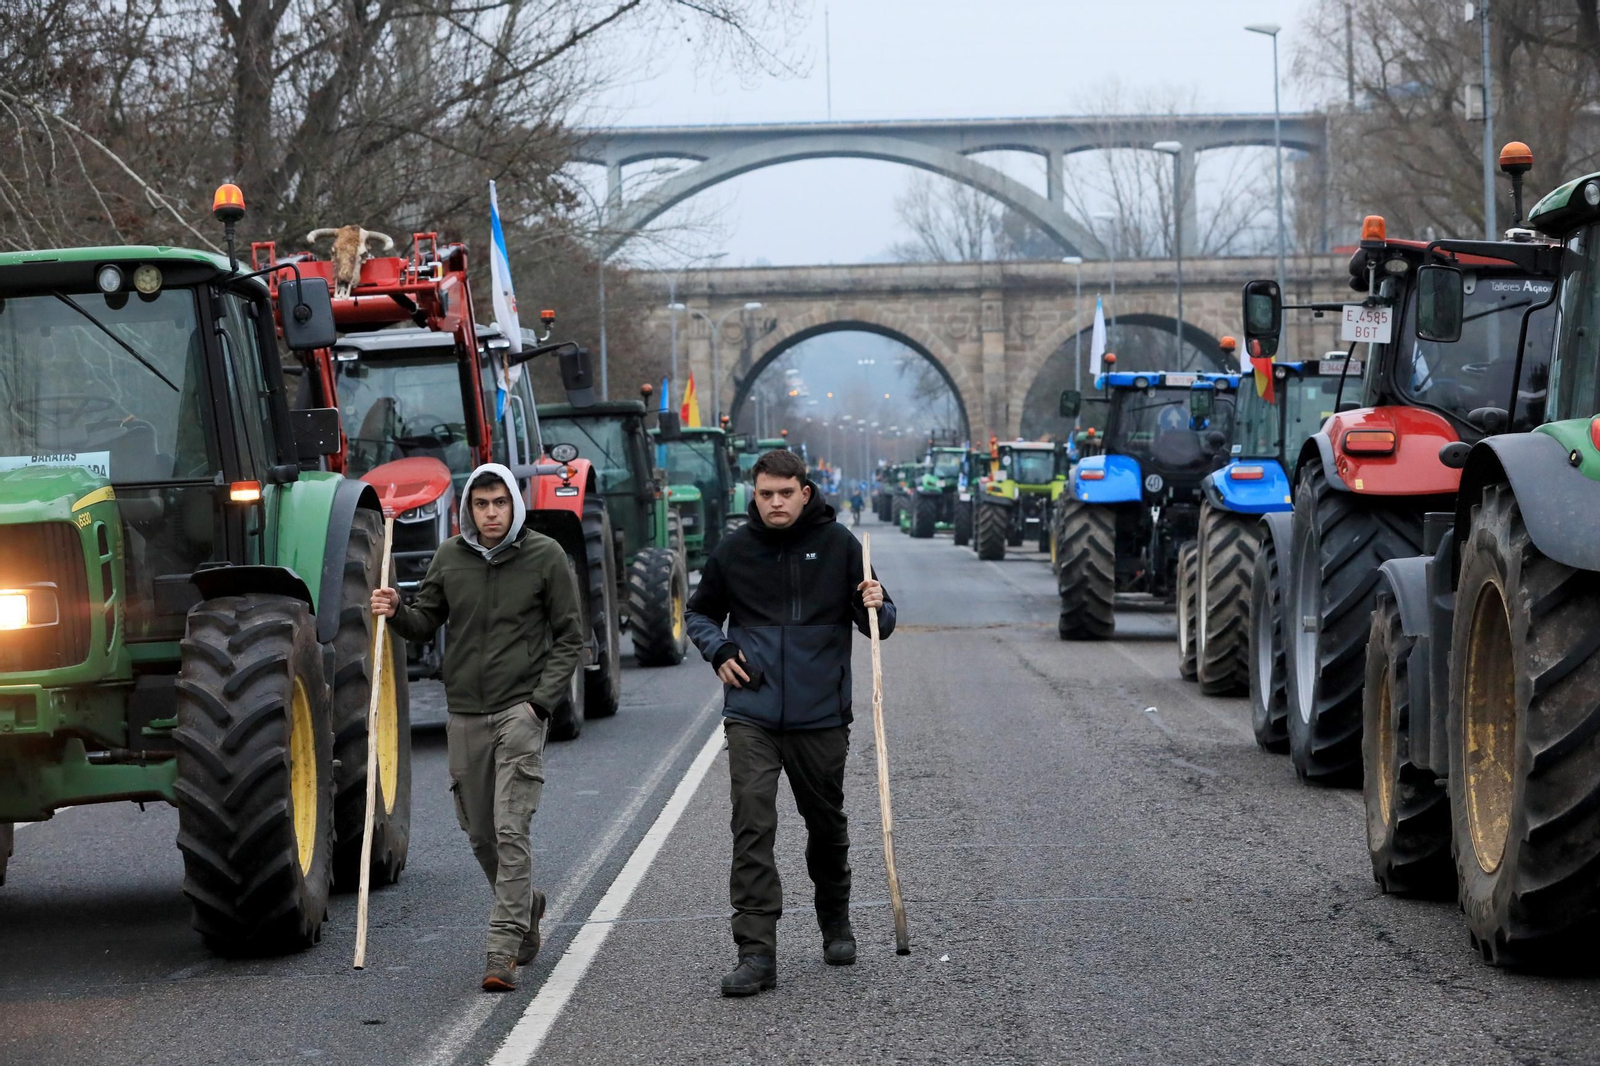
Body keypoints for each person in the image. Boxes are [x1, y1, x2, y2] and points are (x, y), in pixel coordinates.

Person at [685, 449, 896, 997]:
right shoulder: (734, 551)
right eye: (765, 494)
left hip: (820, 714)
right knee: (752, 823)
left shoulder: (842, 546)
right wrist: (718, 647)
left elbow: (880, 620)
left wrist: (878, 601)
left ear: (805, 491)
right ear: (753, 496)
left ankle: (836, 919)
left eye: (785, 492)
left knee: (825, 826)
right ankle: (756, 952)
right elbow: (699, 613)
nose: (775, 503)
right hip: (752, 711)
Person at [371, 463, 584, 992]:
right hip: (464, 712)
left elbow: (570, 637)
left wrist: (539, 704)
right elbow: (424, 622)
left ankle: (501, 949)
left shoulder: (545, 557)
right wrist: (396, 609)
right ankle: (526, 907)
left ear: (515, 505)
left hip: (519, 711)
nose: (491, 513)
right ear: (470, 509)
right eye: (481, 504)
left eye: (500, 503)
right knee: (481, 833)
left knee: (512, 828)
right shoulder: (449, 557)